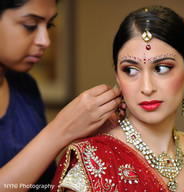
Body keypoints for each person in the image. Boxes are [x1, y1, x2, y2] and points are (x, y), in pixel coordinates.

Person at [52, 5, 184, 192]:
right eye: (131, 70)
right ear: (117, 77)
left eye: (161, 68)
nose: (147, 88)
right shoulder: (94, 161)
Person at [0, 0, 125, 191]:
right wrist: (62, 129)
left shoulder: (24, 86)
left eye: (49, 25)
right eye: (30, 26)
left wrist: (87, 135)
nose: (46, 40)